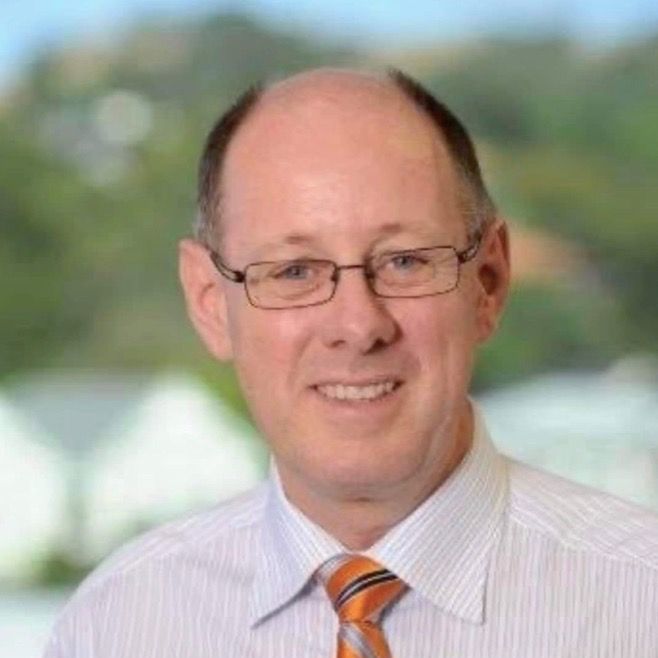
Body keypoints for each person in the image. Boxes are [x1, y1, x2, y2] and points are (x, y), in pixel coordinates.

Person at [44, 67, 658, 657]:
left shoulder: (641, 604)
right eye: (294, 271)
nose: (358, 327)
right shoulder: (117, 625)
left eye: (405, 262)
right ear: (209, 303)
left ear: (489, 283)